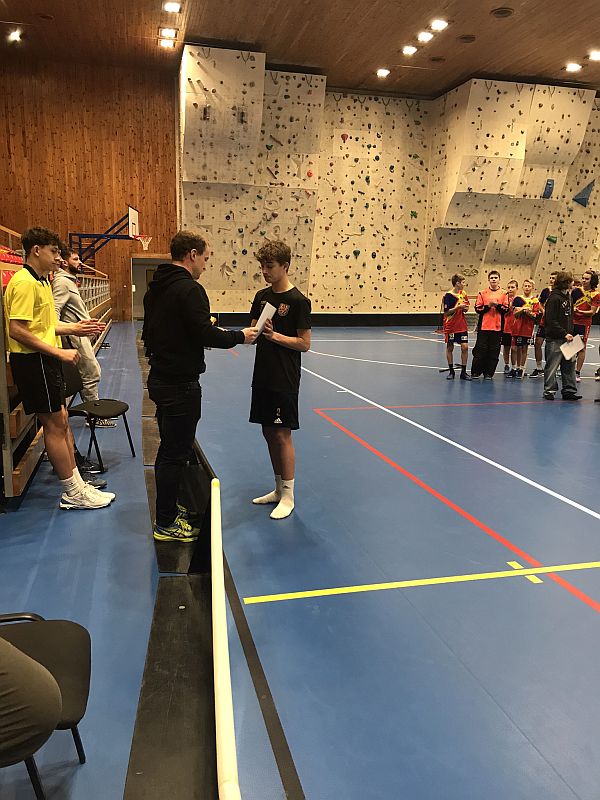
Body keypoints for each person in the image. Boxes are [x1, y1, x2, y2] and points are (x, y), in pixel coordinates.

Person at [142, 230, 257, 542]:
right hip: (180, 384)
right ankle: (166, 522)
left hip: (161, 377)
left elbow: (158, 332)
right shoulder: (190, 289)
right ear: (192, 254)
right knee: (174, 453)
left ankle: (168, 508)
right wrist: (240, 336)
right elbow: (205, 334)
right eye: (205, 258)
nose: (205, 265)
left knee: (169, 449)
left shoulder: (156, 287)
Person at [3, 227, 114, 509]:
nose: (58, 258)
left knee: (62, 420)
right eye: (53, 252)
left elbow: (44, 325)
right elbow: (17, 330)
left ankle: (77, 484)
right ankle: (71, 491)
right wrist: (58, 351)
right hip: (34, 361)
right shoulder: (24, 283)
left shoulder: (41, 281)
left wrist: (74, 328)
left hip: (45, 359)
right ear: (36, 250)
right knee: (53, 425)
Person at [249, 241, 311, 520]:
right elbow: (253, 332)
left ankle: (288, 495)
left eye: (270, 266)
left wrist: (274, 336)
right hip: (262, 374)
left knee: (281, 434)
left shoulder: (298, 301)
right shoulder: (261, 296)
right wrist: (252, 332)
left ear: (285, 266)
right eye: (262, 266)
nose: (264, 271)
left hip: (284, 377)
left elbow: (304, 343)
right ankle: (277, 489)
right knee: (267, 431)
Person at [52, 246, 115, 427]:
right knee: (90, 373)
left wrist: (86, 323)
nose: (80, 262)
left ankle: (94, 412)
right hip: (74, 337)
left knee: (91, 373)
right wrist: (74, 328)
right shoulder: (62, 283)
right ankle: (95, 417)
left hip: (79, 335)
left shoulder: (69, 281)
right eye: (75, 259)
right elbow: (54, 316)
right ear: (65, 262)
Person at [543, 270, 580, 401]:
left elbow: (569, 317)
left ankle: (569, 390)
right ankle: (549, 390)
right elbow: (550, 320)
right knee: (552, 366)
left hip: (569, 337)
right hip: (555, 338)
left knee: (570, 365)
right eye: (571, 280)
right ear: (566, 282)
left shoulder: (569, 297)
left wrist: (571, 333)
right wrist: (564, 333)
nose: (573, 283)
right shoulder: (554, 298)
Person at [471, 270, 509, 379]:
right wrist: (488, 306)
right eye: (492, 278)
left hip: (497, 327)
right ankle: (476, 372)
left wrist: (497, 306)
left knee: (494, 351)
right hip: (484, 327)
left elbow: (506, 309)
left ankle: (489, 373)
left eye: (495, 278)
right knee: (480, 350)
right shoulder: (482, 293)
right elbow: (478, 308)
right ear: (488, 280)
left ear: (499, 280)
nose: (493, 280)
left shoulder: (504, 293)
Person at [571, 269, 600, 382]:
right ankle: (568, 370)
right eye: (583, 278)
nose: (583, 280)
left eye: (586, 279)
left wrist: (580, 311)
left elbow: (592, 312)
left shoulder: (596, 294)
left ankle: (577, 372)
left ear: (592, 281)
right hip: (572, 322)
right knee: (571, 346)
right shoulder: (576, 291)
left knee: (581, 347)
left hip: (584, 324)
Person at [441, 274, 470, 380]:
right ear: (457, 283)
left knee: (465, 347)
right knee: (450, 347)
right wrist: (457, 307)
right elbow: (446, 312)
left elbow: (466, 308)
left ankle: (463, 372)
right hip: (451, 325)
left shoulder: (464, 294)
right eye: (463, 282)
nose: (464, 284)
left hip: (462, 325)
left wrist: (464, 309)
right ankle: (451, 371)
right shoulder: (448, 296)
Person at [511, 279, 540, 379]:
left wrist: (528, 313)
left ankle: (521, 369)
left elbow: (535, 316)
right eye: (525, 286)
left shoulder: (535, 301)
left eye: (529, 286)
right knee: (515, 348)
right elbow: (515, 314)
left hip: (528, 328)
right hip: (517, 327)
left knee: (524, 348)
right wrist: (522, 310)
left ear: (532, 288)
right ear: (522, 287)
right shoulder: (518, 299)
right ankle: (515, 367)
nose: (527, 288)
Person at [530, 271, 556, 377]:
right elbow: (540, 304)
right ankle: (539, 368)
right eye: (551, 278)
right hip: (544, 322)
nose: (552, 280)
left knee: (552, 346)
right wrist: (544, 311)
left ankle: (553, 368)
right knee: (538, 343)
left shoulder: (561, 292)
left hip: (555, 324)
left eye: (554, 278)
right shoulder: (546, 291)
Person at [502, 279, 518, 376]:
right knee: (506, 347)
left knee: (515, 348)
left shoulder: (519, 299)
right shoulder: (505, 300)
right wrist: (509, 307)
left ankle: (515, 366)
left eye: (512, 287)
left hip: (516, 328)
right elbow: (503, 312)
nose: (510, 289)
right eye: (509, 287)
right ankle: (506, 365)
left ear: (517, 288)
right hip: (506, 327)